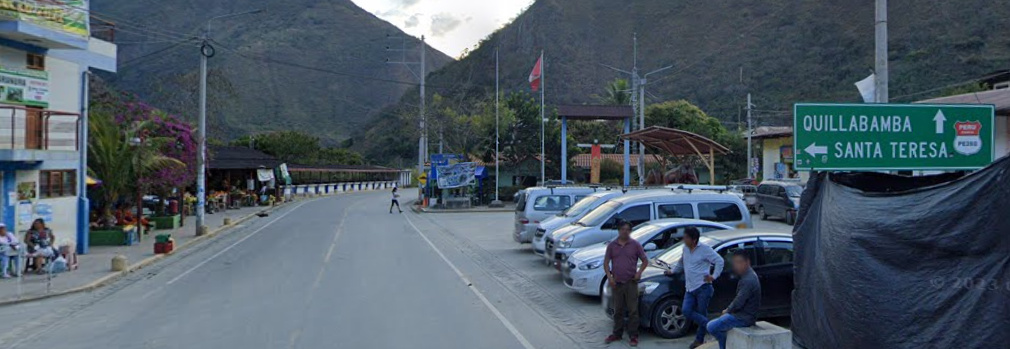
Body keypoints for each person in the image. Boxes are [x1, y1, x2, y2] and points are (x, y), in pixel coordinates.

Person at [665, 226, 724, 349]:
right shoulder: (685, 249)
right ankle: (713, 327)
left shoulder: (705, 249)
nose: (683, 239)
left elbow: (720, 261)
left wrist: (714, 276)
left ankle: (699, 340)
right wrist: (673, 271)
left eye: (686, 237)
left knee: (702, 312)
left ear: (694, 239)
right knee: (686, 310)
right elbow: (681, 262)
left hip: (703, 287)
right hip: (690, 288)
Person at [603, 221, 649, 347]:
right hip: (617, 283)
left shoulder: (635, 245)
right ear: (619, 230)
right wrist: (610, 277)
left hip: (631, 283)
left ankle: (633, 335)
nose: (625, 231)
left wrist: (639, 272)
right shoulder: (612, 245)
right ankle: (617, 333)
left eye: (628, 229)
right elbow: (606, 262)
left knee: (633, 310)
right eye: (623, 229)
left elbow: (645, 260)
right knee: (618, 310)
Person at [706, 249, 761, 349]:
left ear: (747, 262)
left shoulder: (749, 280)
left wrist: (727, 310)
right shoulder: (747, 276)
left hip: (744, 318)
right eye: (735, 263)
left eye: (739, 262)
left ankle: (724, 345)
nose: (736, 266)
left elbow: (739, 301)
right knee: (717, 324)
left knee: (711, 326)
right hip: (741, 314)